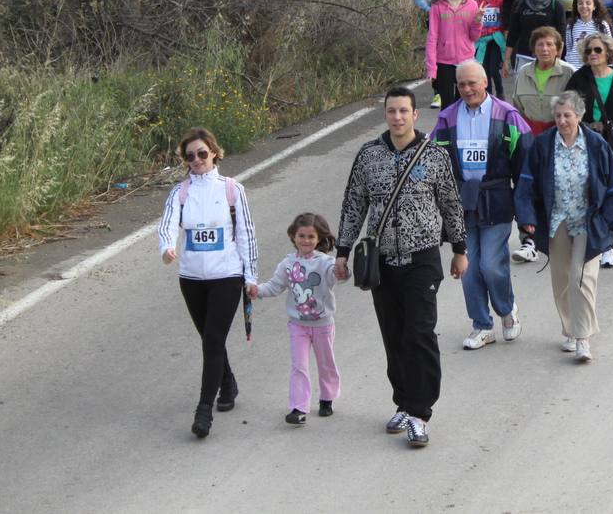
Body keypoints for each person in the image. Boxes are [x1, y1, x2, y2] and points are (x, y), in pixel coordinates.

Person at [336, 87, 467, 449]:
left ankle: (420, 413)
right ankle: (404, 401)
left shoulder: (434, 156)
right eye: (392, 111)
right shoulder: (368, 156)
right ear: (385, 115)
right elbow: (353, 204)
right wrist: (342, 251)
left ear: (415, 114)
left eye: (404, 111)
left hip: (422, 258)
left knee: (420, 333)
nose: (398, 117)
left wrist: (459, 249)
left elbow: (452, 204)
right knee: (394, 335)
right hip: (382, 262)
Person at [159, 127, 259, 439]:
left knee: (213, 341)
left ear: (214, 152)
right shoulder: (180, 192)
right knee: (209, 338)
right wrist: (167, 247)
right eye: (190, 156)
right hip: (191, 278)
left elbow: (246, 233)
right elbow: (167, 224)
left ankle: (204, 410)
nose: (197, 160)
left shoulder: (232, 189)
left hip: (227, 276)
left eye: (202, 153)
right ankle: (227, 382)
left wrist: (251, 276)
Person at [514, 91, 613, 363]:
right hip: (556, 220)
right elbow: (526, 183)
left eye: (567, 115)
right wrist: (527, 216)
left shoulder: (597, 145)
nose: (562, 120)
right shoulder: (542, 145)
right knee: (562, 278)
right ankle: (569, 328)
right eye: (558, 115)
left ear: (579, 115)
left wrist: (612, 222)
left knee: (581, 275)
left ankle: (583, 337)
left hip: (589, 220)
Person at [430, 62, 532, 350]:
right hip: (461, 204)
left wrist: (525, 210)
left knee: (491, 263)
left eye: (472, 83)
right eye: (462, 84)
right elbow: (433, 159)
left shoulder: (508, 116)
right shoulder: (447, 118)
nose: (467, 89)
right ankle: (482, 325)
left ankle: (506, 309)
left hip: (497, 199)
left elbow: (524, 162)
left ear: (485, 82)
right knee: (469, 267)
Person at [249, 213, 341, 426]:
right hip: (297, 325)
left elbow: (334, 277)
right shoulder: (287, 264)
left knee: (326, 363)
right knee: (299, 365)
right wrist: (256, 290)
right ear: (293, 236)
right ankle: (299, 407)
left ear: (319, 238)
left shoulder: (326, 262)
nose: (306, 240)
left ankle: (327, 397)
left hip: (323, 325)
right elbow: (274, 286)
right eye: (302, 235)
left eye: (311, 236)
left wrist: (340, 271)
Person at [566, 34, 613, 257]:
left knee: (609, 191)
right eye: (589, 51)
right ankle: (588, 239)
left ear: (608, 52)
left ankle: (608, 243)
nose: (593, 55)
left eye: (597, 50)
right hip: (585, 139)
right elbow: (567, 112)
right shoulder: (579, 79)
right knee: (586, 190)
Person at [425, 0, 482, 109]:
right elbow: (432, 36)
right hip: (444, 61)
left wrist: (477, 21)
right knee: (447, 105)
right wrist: (431, 67)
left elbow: (474, 36)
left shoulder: (472, 5)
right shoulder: (438, 6)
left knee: (463, 103)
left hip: (466, 60)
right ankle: (447, 131)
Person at [509, 26, 575, 135]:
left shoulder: (569, 72)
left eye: (549, 44)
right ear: (534, 49)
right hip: (529, 133)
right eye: (540, 44)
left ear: (558, 49)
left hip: (560, 133)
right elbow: (517, 105)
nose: (544, 49)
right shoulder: (523, 71)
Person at [505, 0, 566, 74]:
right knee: (524, 89)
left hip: (548, 54)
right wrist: (507, 59)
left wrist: (558, 58)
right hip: (524, 55)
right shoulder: (519, 4)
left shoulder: (556, 5)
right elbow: (513, 33)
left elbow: (561, 36)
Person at [472, 0, 507, 97]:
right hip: (482, 40)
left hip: (496, 39)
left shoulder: (500, 1)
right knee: (485, 70)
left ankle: (500, 91)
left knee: (493, 69)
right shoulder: (476, 3)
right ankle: (489, 95)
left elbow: (504, 19)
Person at [562, 0, 613, 69]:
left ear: (594, 6)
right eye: (580, 3)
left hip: (594, 68)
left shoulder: (602, 25)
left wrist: (608, 68)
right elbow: (569, 49)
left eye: (588, 3)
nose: (584, 6)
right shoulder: (570, 26)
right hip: (574, 68)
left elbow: (609, 48)